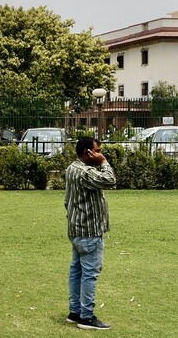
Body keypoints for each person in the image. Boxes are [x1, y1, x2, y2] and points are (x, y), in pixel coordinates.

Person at [64, 137, 116, 330]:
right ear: (88, 152)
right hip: (89, 232)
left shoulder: (71, 169)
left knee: (76, 271)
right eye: (98, 150)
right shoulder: (86, 172)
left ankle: (75, 312)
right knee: (89, 274)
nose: (101, 153)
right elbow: (110, 180)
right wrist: (104, 162)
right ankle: (86, 317)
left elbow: (67, 200)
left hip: (76, 229)